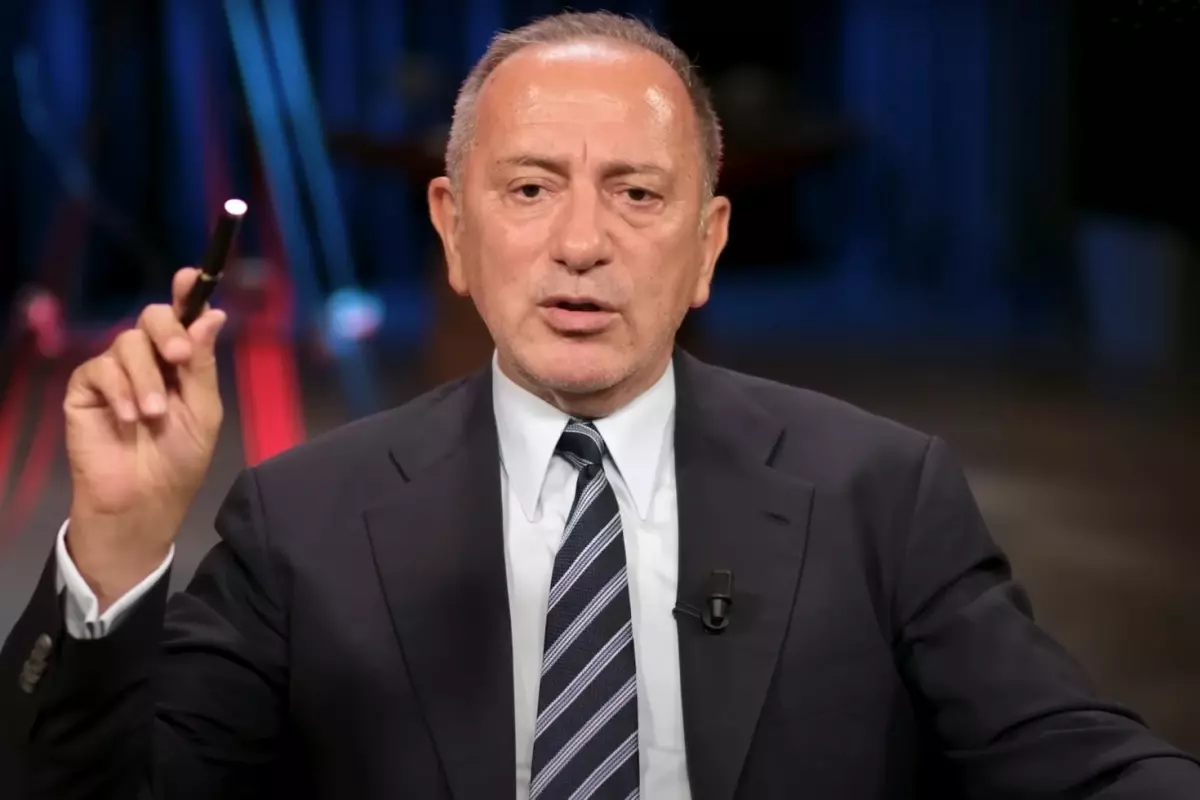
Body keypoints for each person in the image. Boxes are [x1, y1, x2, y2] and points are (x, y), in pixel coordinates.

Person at [2, 10, 1198, 800]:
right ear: (453, 231)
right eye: (530, 189)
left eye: (636, 193)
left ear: (708, 244)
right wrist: (116, 547)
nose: (582, 242)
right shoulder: (300, 521)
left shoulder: (879, 493)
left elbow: (1077, 761)